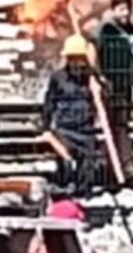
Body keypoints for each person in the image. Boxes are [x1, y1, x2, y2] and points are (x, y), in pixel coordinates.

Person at [37, 36, 113, 196]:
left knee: (87, 162)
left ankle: (83, 192)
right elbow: (49, 103)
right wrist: (45, 127)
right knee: (65, 161)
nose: (76, 63)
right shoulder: (58, 78)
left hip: (86, 129)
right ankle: (64, 188)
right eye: (73, 58)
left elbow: (106, 100)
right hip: (65, 129)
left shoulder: (92, 78)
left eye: (79, 58)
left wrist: (101, 89)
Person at [95, 0, 133, 183]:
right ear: (113, 10)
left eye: (128, 9)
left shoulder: (131, 29)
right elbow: (98, 55)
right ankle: (120, 163)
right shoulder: (106, 31)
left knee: (122, 123)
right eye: (121, 9)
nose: (126, 13)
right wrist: (101, 78)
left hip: (126, 82)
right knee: (116, 124)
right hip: (111, 83)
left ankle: (116, 163)